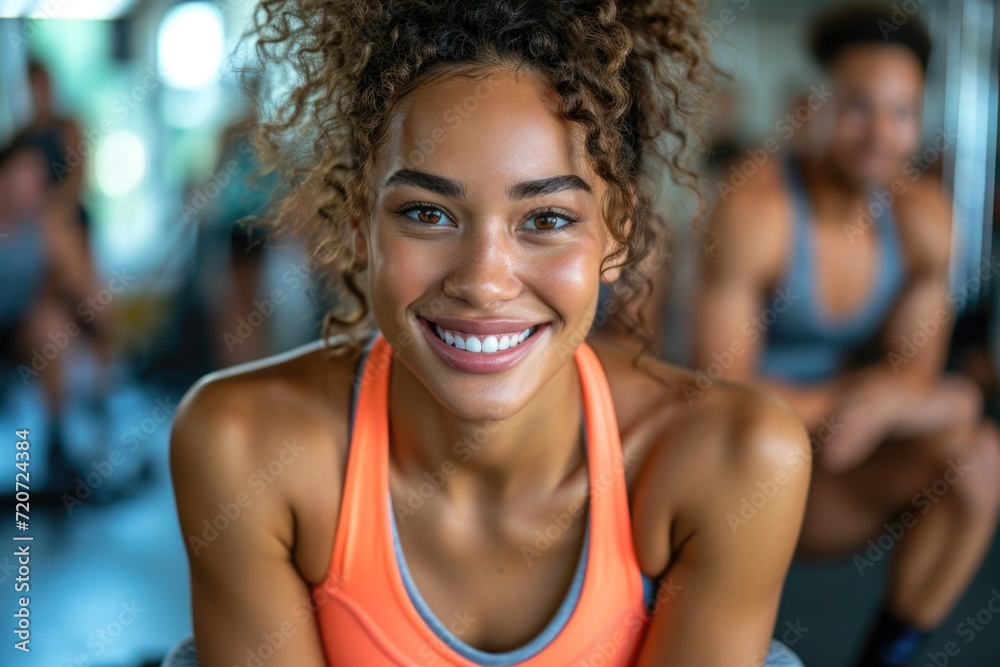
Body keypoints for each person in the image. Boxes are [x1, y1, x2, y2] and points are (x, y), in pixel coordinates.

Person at [169, 1, 812, 665]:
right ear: (359, 221)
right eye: (427, 212)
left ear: (617, 232)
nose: (484, 281)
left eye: (546, 219)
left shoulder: (735, 457)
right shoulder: (243, 445)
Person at [693, 4, 1000, 666]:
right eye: (859, 107)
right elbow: (723, 389)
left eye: (901, 112)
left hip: (834, 466)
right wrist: (878, 400)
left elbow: (911, 377)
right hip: (730, 471)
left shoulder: (923, 219)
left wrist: (913, 400)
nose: (881, 133)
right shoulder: (758, 206)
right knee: (953, 408)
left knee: (981, 457)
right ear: (813, 108)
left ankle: (886, 657)